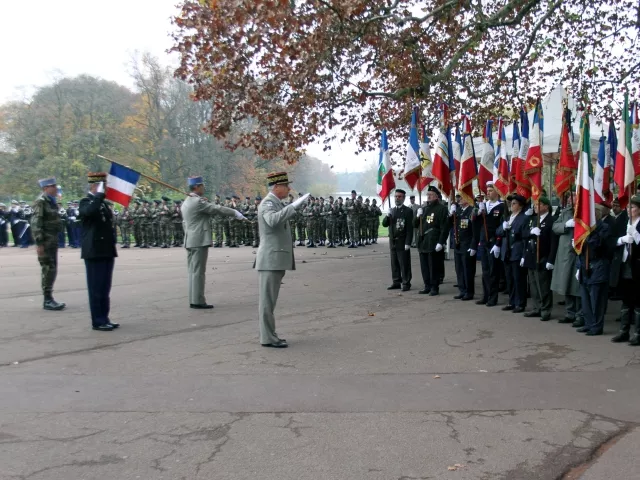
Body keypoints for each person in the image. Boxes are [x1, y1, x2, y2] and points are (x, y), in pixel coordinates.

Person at [255, 172, 310, 348]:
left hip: (274, 258)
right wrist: (293, 206)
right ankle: (268, 338)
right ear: (276, 187)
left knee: (270, 300)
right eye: (286, 185)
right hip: (271, 258)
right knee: (267, 301)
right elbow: (272, 221)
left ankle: (270, 335)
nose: (289, 188)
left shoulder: (275, 202)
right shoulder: (268, 203)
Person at [181, 176, 245, 308]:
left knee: (193, 271)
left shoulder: (187, 201)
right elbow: (217, 209)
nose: (204, 188)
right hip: (198, 240)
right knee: (198, 272)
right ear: (197, 187)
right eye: (202, 186)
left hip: (190, 239)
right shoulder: (197, 202)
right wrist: (234, 212)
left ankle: (194, 299)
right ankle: (198, 301)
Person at [79, 172, 119, 331]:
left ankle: (105, 317)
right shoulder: (86, 202)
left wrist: (101, 198)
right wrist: (99, 196)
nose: (106, 189)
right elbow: (89, 212)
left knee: (105, 287)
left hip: (106, 249)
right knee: (96, 287)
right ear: (96, 186)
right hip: (94, 250)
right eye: (104, 186)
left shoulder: (102, 203)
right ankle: (98, 320)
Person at [576, 203, 616, 336]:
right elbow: (579, 250)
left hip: (598, 265)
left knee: (597, 299)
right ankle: (588, 323)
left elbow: (597, 244)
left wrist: (588, 234)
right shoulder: (583, 230)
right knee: (585, 298)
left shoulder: (604, 228)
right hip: (584, 266)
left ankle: (596, 326)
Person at [31, 177, 66, 311]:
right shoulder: (41, 202)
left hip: (52, 240)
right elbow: (36, 223)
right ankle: (47, 299)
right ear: (45, 188)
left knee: (52, 268)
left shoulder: (51, 202)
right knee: (48, 269)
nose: (55, 188)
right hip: (45, 241)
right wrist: (39, 243)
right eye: (53, 186)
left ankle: (49, 297)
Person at [549, 193, 583, 325]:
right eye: (569, 197)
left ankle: (580, 314)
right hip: (565, 253)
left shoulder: (584, 212)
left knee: (577, 285)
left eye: (572, 196)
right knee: (566, 283)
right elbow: (555, 227)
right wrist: (566, 225)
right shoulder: (566, 212)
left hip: (577, 251)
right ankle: (570, 313)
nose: (569, 199)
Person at [611, 195, 640, 344]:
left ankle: (638, 334)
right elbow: (612, 240)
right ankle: (624, 331)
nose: (629, 210)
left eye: (633, 207)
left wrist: (635, 234)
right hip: (624, 265)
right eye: (628, 207)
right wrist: (622, 239)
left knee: (637, 301)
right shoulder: (624, 221)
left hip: (637, 266)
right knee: (626, 300)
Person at [521, 196, 555, 321]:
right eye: (535, 205)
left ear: (546, 206)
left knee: (543, 285)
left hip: (543, 256)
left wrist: (551, 260)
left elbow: (553, 243)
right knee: (533, 285)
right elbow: (523, 233)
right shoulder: (533, 220)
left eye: (539, 205)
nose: (536, 207)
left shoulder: (551, 221)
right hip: (531, 255)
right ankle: (536, 308)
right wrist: (531, 232)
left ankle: (546, 309)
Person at [414, 186, 449, 295]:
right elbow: (415, 225)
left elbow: (445, 227)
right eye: (427, 194)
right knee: (424, 266)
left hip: (434, 242)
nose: (428, 196)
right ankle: (427, 285)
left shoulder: (441, 209)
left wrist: (441, 242)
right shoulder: (424, 209)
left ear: (436, 196)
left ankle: (434, 286)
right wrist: (417, 215)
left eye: (430, 195)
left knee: (434, 266)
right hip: (423, 242)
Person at [497, 194, 528, 313]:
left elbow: (524, 236)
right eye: (511, 203)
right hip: (507, 252)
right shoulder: (508, 217)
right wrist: (503, 228)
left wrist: (524, 255)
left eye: (514, 203)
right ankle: (512, 301)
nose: (511, 205)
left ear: (520, 206)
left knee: (518, 279)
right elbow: (498, 231)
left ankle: (520, 303)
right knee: (509, 278)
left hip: (517, 251)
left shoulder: (523, 218)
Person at [476, 182, 505, 307]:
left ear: (497, 192)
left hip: (493, 241)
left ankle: (493, 297)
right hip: (483, 241)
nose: (488, 192)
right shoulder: (484, 205)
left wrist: (498, 243)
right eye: (487, 190)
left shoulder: (502, 207)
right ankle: (486, 295)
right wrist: (478, 213)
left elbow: (501, 226)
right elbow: (476, 224)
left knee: (493, 271)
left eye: (491, 190)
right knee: (485, 270)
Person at [383, 188, 414, 291]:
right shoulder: (392, 210)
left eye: (399, 196)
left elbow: (410, 228)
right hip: (393, 241)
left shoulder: (407, 211)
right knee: (394, 263)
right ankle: (396, 281)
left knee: (404, 263)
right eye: (396, 196)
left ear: (404, 198)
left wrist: (408, 242)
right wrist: (387, 216)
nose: (397, 198)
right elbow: (384, 224)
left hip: (402, 240)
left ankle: (406, 283)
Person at [452, 193, 478, 300]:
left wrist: (473, 246)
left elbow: (475, 231)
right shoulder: (458, 211)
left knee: (468, 270)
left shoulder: (472, 211)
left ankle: (469, 291)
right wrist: (451, 213)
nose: (459, 199)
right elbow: (452, 224)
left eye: (462, 197)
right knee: (459, 269)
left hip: (467, 244)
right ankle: (462, 290)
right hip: (458, 244)